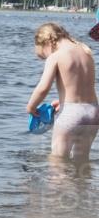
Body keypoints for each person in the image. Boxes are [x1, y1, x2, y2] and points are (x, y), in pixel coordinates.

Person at [27, 22, 98, 160]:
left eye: (44, 55)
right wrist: (62, 101)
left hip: (70, 114)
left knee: (58, 161)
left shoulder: (56, 56)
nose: (46, 58)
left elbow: (43, 88)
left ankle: (59, 182)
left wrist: (31, 106)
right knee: (82, 160)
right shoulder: (85, 51)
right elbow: (82, 86)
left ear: (47, 42)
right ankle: (83, 182)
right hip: (93, 112)